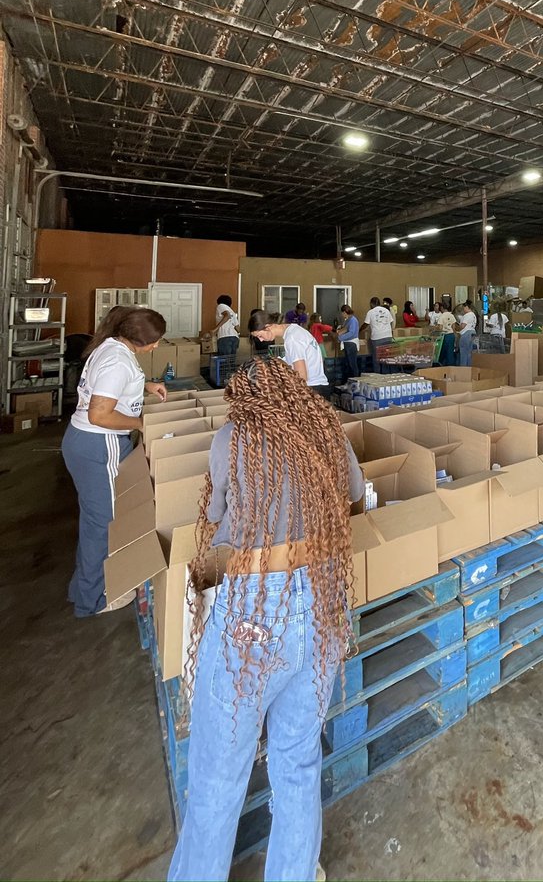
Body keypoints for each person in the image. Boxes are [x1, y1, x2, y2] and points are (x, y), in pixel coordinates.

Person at [168, 358, 365, 882]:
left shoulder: (232, 438)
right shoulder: (325, 429)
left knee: (217, 775)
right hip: (322, 596)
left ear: (244, 396)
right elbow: (355, 495)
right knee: (297, 762)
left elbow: (217, 520)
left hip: (255, 609)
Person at [62, 306, 168, 618]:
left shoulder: (110, 345)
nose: (156, 346)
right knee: (105, 524)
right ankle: (94, 599)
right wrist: (140, 424)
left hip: (84, 441)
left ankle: (82, 588)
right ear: (138, 339)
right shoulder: (117, 361)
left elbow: (107, 387)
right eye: (154, 341)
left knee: (96, 518)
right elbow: (100, 414)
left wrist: (145, 386)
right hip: (100, 444)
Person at [252, 316, 330, 400]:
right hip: (317, 388)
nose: (260, 340)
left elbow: (302, 376)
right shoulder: (294, 330)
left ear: (267, 327)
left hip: (311, 390)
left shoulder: (292, 338)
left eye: (259, 335)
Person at [364, 299, 395, 373]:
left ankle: (377, 375)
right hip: (388, 337)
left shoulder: (370, 312)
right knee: (385, 357)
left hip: (377, 338)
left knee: (376, 358)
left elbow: (366, 324)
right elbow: (391, 322)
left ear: (371, 304)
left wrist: (359, 330)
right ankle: (386, 374)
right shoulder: (386, 311)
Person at [210, 294, 239, 359]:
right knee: (231, 360)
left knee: (224, 360)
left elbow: (227, 315)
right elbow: (237, 328)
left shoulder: (221, 306)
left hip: (225, 337)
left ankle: (225, 369)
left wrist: (215, 329)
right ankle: (231, 369)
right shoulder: (232, 311)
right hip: (235, 338)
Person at [337, 304, 360, 379]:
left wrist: (341, 337)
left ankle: (355, 380)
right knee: (348, 364)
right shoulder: (348, 320)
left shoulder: (353, 320)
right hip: (347, 343)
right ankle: (350, 380)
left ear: (344, 312)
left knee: (352, 364)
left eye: (342, 313)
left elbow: (352, 333)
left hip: (351, 343)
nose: (342, 315)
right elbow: (345, 328)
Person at [456, 299, 477, 367]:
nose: (463, 309)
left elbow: (462, 326)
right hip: (473, 334)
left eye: (464, 308)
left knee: (464, 353)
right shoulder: (473, 315)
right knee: (470, 353)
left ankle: (463, 369)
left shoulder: (467, 315)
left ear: (467, 307)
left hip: (466, 334)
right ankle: (469, 369)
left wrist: (457, 328)